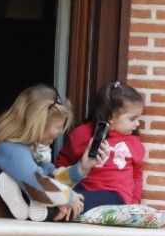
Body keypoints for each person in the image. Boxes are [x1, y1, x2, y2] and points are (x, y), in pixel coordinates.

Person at [0, 84, 108, 222]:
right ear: (37, 124)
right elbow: (38, 186)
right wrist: (70, 197)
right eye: (58, 127)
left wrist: (83, 166)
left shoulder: (29, 146)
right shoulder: (10, 148)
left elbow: (50, 178)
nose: (60, 132)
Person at [57, 81, 147, 215]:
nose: (137, 123)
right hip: (83, 189)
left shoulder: (134, 143)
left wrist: (133, 205)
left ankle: (52, 210)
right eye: (132, 119)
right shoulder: (82, 134)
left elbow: (137, 176)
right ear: (111, 116)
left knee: (76, 202)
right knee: (67, 198)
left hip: (116, 196)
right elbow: (62, 163)